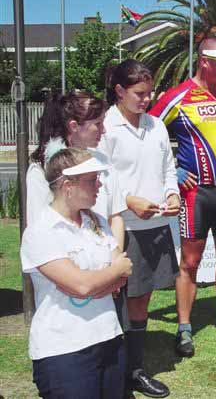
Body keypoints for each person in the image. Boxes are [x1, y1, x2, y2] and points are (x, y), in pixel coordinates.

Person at [149, 37, 216, 358]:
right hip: (196, 194)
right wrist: (174, 170)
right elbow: (148, 132)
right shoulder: (179, 96)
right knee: (191, 262)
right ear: (204, 61)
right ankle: (184, 327)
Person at [20, 147, 132, 398]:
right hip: (64, 351)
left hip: (109, 337)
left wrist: (98, 282)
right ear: (67, 186)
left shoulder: (97, 222)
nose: (99, 185)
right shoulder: (40, 232)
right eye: (92, 180)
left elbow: (124, 270)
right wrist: (106, 276)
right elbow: (83, 285)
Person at [101, 59, 180, 398]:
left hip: (156, 225)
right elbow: (100, 179)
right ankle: (113, 373)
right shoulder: (105, 127)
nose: (147, 100)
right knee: (114, 301)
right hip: (121, 227)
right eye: (139, 94)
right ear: (119, 90)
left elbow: (168, 168)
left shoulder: (156, 125)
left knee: (141, 299)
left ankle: (133, 371)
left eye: (149, 93)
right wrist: (129, 200)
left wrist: (173, 193)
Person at [26, 91, 126, 249]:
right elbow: (38, 228)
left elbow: (115, 216)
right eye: (98, 124)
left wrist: (116, 257)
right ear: (73, 126)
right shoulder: (41, 170)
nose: (104, 130)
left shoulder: (102, 161)